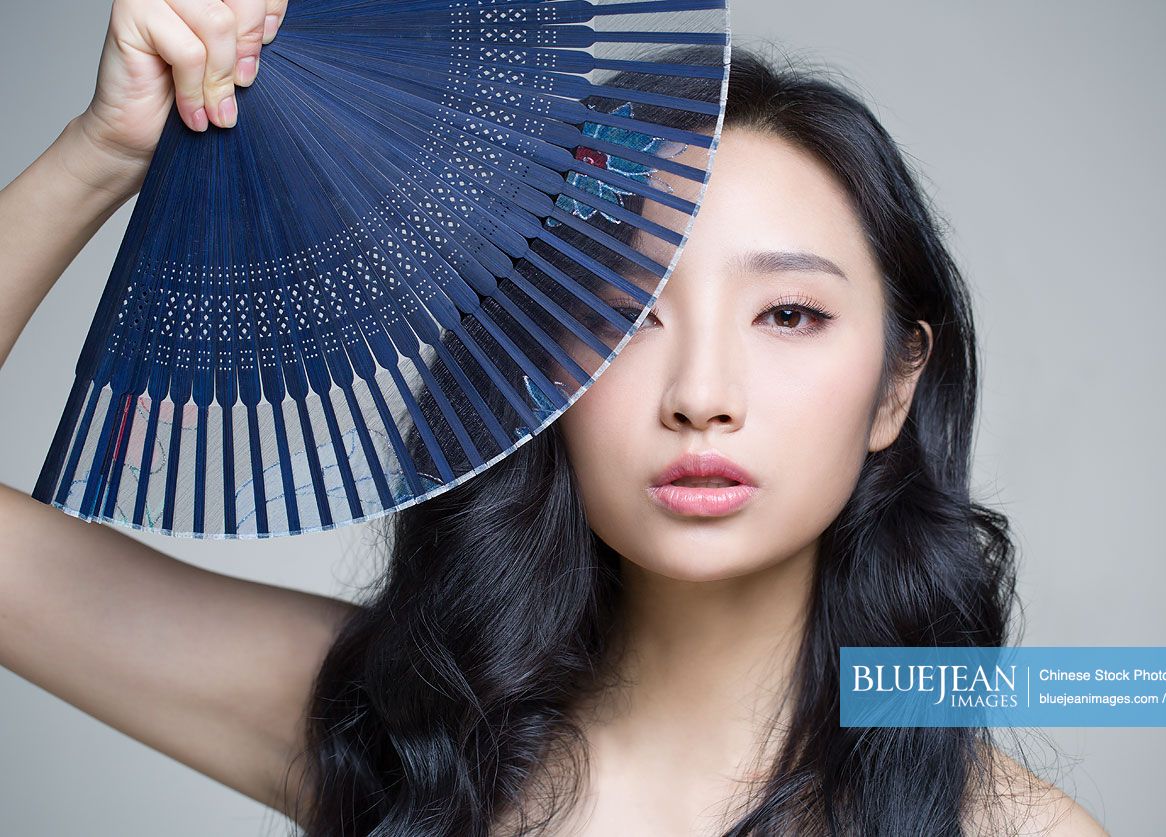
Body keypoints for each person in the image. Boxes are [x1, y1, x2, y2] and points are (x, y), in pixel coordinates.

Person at [0, 1, 1107, 834]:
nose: (701, 395)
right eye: (626, 320)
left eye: (788, 312)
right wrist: (105, 152)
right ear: (537, 366)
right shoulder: (391, 732)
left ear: (896, 385)